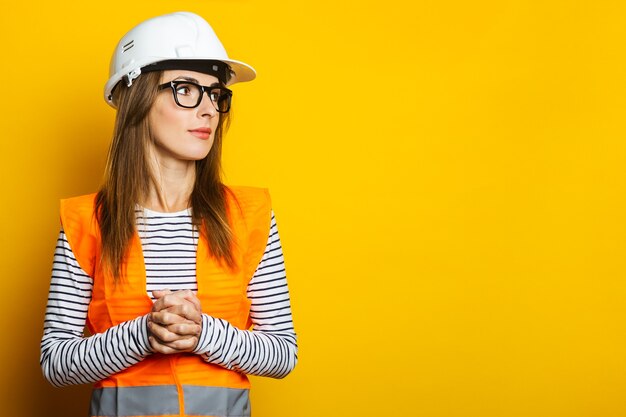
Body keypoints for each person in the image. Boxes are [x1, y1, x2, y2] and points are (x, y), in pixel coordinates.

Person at [40, 11, 297, 417]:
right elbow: (55, 362)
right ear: (137, 99)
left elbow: (283, 353)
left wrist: (202, 333)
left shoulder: (250, 215)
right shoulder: (86, 220)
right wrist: (144, 334)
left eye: (215, 94)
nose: (209, 109)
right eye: (185, 89)